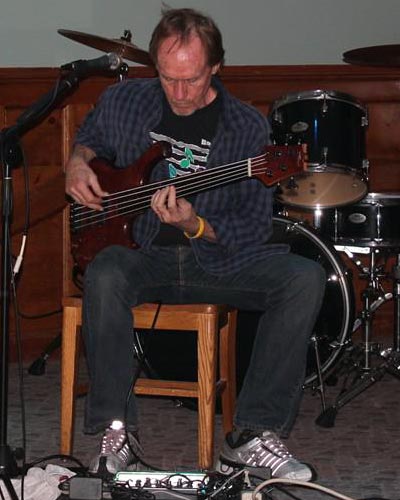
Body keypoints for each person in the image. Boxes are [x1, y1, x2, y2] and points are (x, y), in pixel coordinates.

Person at [65, 7, 326, 481]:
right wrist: (77, 163)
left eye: (191, 79)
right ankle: (116, 430)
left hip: (216, 260)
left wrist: (195, 225)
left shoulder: (246, 128)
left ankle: (251, 434)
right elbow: (89, 138)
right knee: (105, 273)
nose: (179, 93)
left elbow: (251, 225)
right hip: (143, 254)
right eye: (168, 78)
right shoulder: (125, 101)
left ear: (215, 68)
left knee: (304, 278)